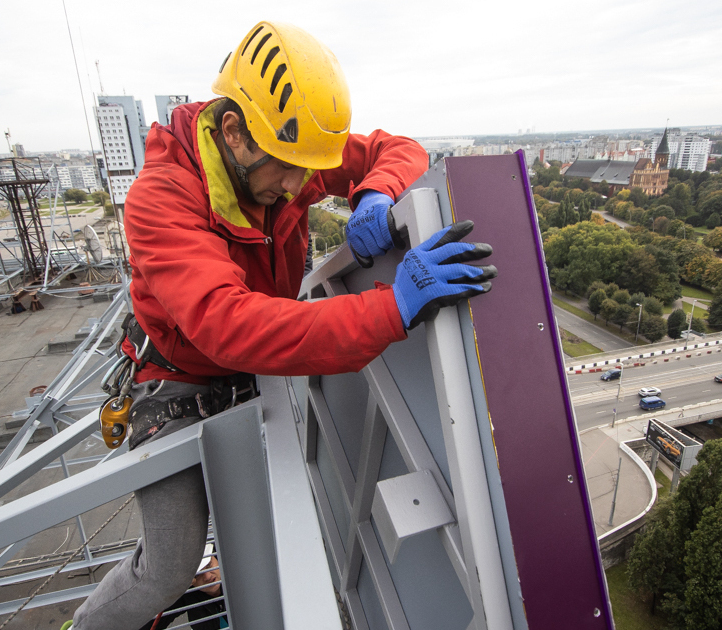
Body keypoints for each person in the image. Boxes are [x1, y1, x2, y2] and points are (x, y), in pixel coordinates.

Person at [67, 21, 496, 629]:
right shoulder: (161, 200)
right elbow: (229, 325)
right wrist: (390, 308)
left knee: (274, 516)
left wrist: (375, 190)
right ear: (234, 131)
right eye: (289, 169)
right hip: (177, 376)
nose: (301, 186)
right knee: (169, 561)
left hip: (251, 366)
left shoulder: (279, 154)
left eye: (307, 168)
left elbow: (396, 149)